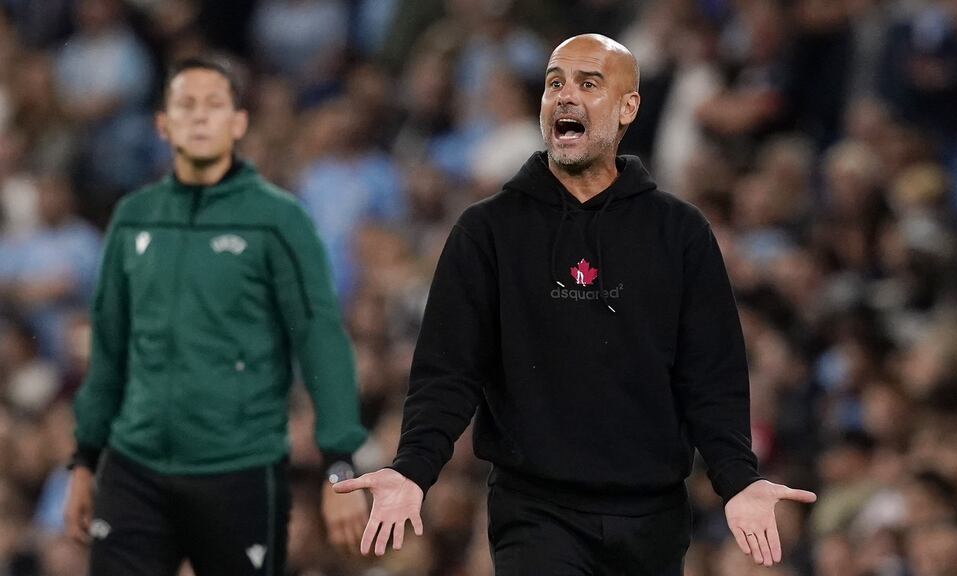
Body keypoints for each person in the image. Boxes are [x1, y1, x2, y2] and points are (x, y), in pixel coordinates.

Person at [335, 34, 817, 574]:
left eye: (589, 84)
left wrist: (738, 479)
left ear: (628, 106)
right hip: (536, 512)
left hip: (652, 516)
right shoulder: (487, 230)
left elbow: (713, 375)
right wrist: (412, 469)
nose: (565, 96)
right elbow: (447, 371)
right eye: (554, 83)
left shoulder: (680, 233)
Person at [63, 56, 368, 575]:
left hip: (240, 470)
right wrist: (85, 460)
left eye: (214, 105)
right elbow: (110, 347)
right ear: (163, 124)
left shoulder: (279, 220)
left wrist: (339, 464)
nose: (200, 117)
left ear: (238, 122)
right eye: (186, 105)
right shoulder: (133, 217)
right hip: (133, 467)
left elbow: (320, 338)